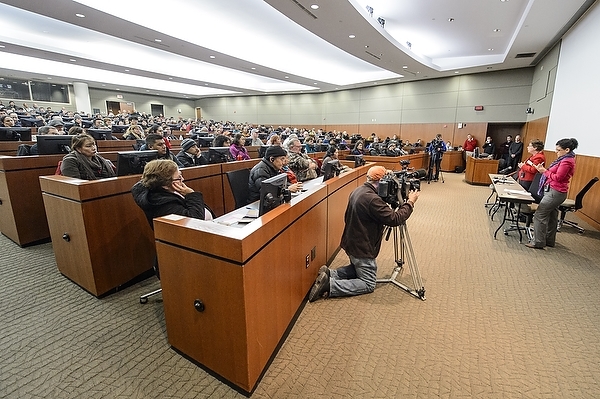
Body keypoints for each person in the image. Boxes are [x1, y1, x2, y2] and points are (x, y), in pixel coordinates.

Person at [309, 166, 420, 301]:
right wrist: (410, 203)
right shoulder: (373, 200)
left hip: (350, 243)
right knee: (368, 283)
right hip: (362, 248)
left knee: (357, 268)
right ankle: (330, 285)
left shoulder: (359, 190)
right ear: (381, 182)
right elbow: (395, 219)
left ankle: (331, 274)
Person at [526, 138, 578, 249]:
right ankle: (549, 240)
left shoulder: (567, 161)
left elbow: (558, 177)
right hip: (553, 191)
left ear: (567, 150)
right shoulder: (564, 159)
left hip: (555, 192)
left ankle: (538, 242)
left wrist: (544, 171)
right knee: (552, 216)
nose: (556, 152)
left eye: (558, 150)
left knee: (539, 215)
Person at [131, 159, 213, 228]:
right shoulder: (163, 205)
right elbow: (195, 221)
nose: (183, 179)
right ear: (165, 185)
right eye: (179, 178)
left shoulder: (170, 191)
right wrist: (191, 195)